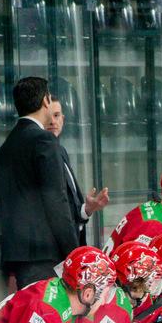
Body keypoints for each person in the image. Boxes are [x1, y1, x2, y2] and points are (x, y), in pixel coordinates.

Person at [0, 77, 80, 289]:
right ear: (45, 101)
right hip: (46, 254)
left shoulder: (5, 148)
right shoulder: (44, 140)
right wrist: (74, 252)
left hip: (19, 257)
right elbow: (56, 201)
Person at [47, 96, 110, 248]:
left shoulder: (61, 151)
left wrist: (86, 210)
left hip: (72, 245)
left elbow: (67, 210)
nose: (52, 122)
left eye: (56, 115)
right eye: (48, 116)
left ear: (63, 119)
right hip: (52, 248)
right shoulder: (43, 155)